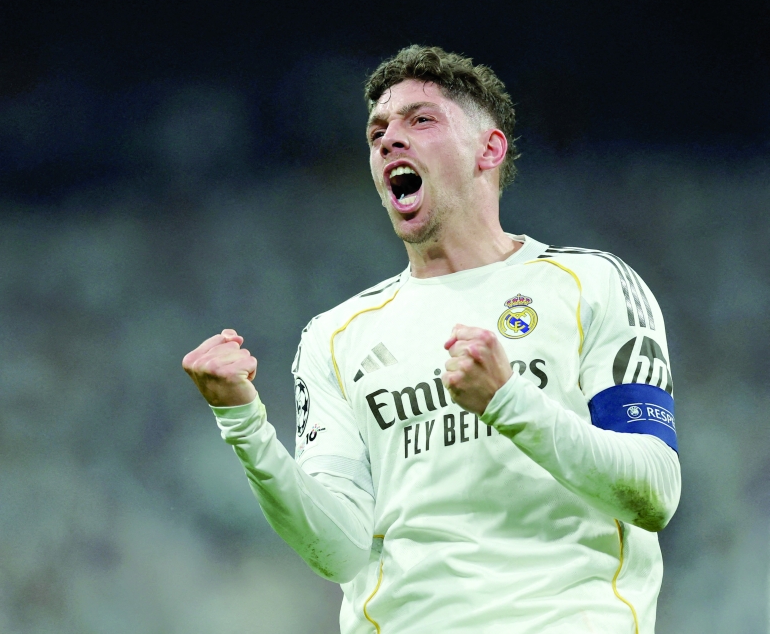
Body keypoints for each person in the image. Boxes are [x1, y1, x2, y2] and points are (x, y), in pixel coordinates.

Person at [182, 45, 680, 634]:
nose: (389, 139)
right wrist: (243, 424)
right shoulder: (335, 336)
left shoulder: (592, 284)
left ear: (489, 149)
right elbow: (339, 550)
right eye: (377, 131)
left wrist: (509, 401)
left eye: (421, 119)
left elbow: (654, 490)